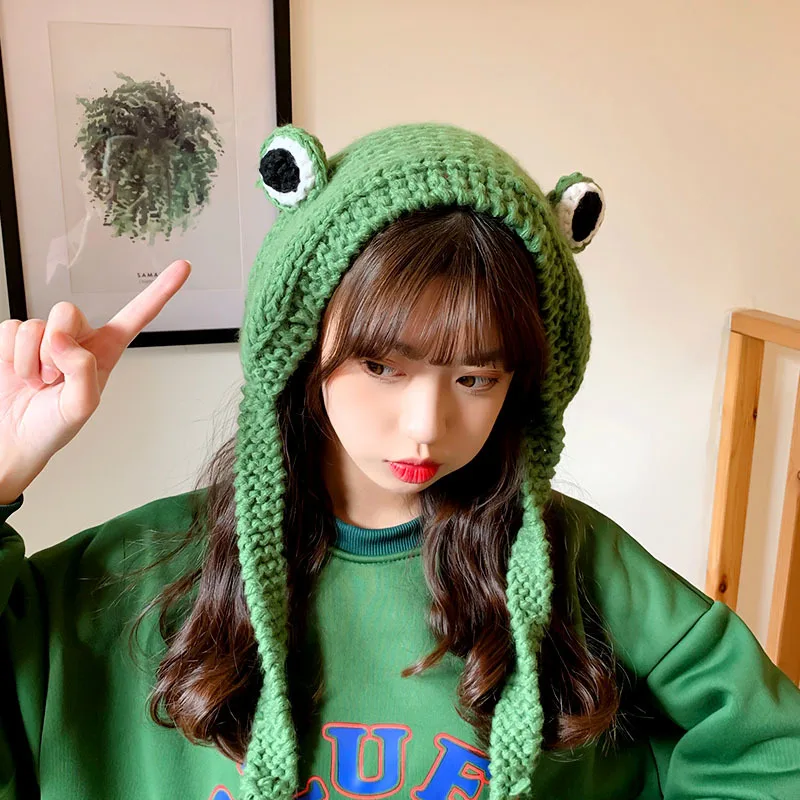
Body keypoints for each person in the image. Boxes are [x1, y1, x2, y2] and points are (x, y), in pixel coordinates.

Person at [0, 123, 798, 800]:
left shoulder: (577, 566)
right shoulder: (132, 574)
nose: (426, 427)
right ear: (303, 346)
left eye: (476, 378)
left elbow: (773, 752)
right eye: (382, 366)